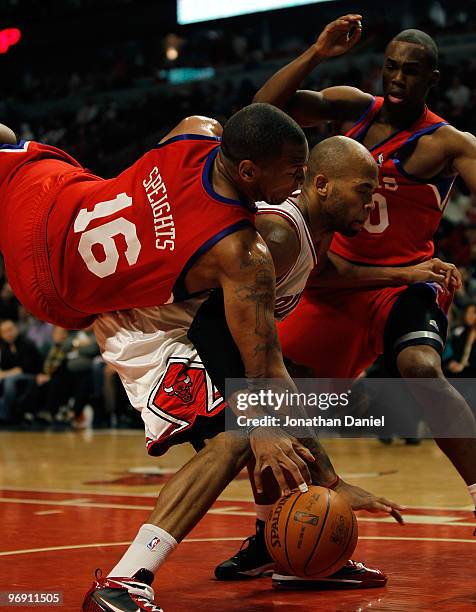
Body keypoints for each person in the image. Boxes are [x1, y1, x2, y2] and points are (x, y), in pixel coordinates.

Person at [83, 137, 456, 610]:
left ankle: (271, 548)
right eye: (363, 190)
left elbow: (321, 284)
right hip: (156, 332)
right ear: (321, 185)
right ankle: (125, 580)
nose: (373, 201)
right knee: (246, 432)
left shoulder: (313, 238)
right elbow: (216, 329)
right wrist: (266, 427)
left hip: (194, 330)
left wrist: (404, 274)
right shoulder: (279, 234)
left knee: (270, 415)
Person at [0, 102, 320, 493]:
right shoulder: (239, 252)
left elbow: (246, 126)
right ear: (249, 171)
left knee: (7, 141)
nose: (301, 182)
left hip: (50, 198)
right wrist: (316, 466)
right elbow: (263, 369)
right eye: (294, 172)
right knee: (234, 431)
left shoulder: (194, 129)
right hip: (52, 290)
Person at [252, 13, 476, 533]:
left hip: (406, 279)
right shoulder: (352, 108)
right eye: (390, 67)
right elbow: (261, 114)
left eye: (411, 71)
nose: (397, 79)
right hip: (337, 281)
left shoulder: (451, 143)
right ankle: (270, 533)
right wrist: (317, 52)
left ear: (432, 79)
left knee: (420, 367)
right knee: (269, 400)